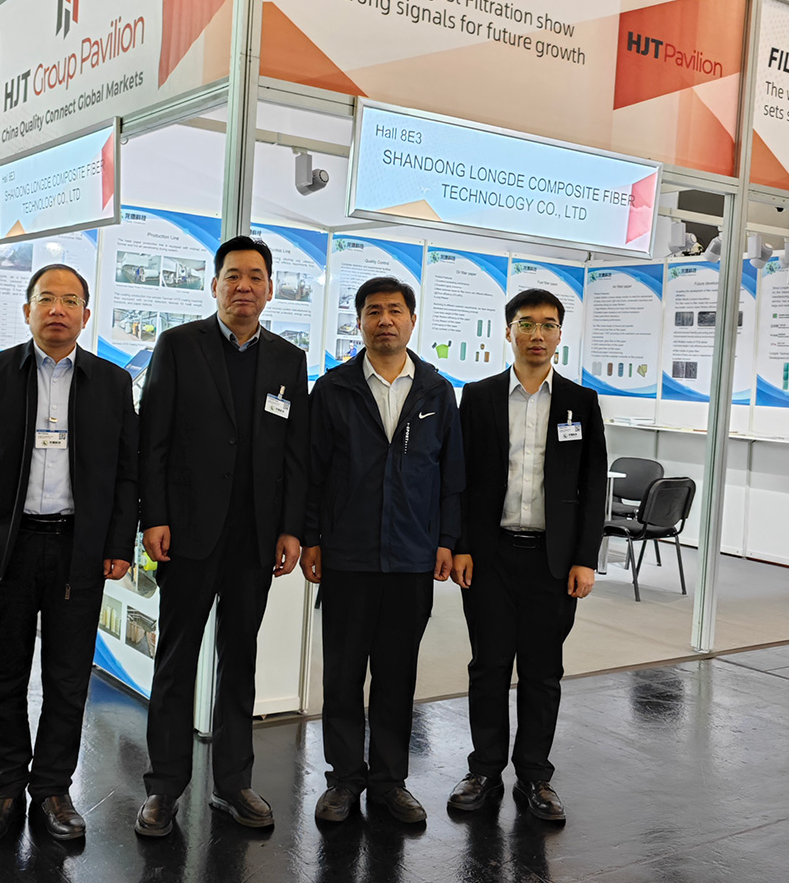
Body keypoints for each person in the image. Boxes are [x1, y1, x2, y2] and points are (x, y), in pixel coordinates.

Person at [0, 264, 138, 844]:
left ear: (86, 314)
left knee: (68, 678)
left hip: (78, 549)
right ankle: (3, 789)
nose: (58, 309)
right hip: (9, 547)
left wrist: (116, 544)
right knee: (4, 676)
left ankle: (52, 788)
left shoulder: (111, 382)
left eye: (70, 300)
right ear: (27, 310)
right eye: (46, 299)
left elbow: (126, 473)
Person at [135, 235, 309, 838]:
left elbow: (295, 455)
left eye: (255, 277)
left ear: (270, 288)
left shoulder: (289, 360)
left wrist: (291, 528)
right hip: (187, 533)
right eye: (233, 276)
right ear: (214, 285)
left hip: (255, 540)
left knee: (240, 660)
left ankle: (232, 782)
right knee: (176, 659)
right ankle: (163, 787)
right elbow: (153, 438)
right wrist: (153, 517)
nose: (244, 287)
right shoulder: (179, 345)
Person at [301, 277, 464, 825]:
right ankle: (345, 779)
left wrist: (447, 541)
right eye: (374, 311)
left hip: (411, 557)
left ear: (412, 321)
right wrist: (312, 538)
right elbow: (313, 472)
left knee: (397, 675)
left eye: (396, 310)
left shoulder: (436, 392)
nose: (385, 320)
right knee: (343, 674)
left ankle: (390, 781)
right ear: (360, 322)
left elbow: (452, 476)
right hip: (347, 556)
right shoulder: (334, 389)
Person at [446, 289, 607, 824]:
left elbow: (592, 486)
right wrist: (461, 545)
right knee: (488, 666)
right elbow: (461, 480)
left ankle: (535, 775)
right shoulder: (480, 397)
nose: (537, 334)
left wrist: (585, 558)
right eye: (526, 323)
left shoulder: (581, 402)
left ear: (560, 334)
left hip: (552, 562)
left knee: (542, 672)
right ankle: (484, 770)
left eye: (548, 324)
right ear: (508, 331)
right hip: (489, 557)